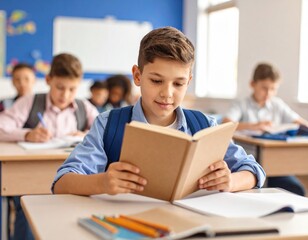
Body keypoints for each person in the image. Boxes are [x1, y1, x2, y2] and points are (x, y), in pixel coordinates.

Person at [52, 27, 265, 197]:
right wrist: (102, 182)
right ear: (137, 76)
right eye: (156, 81)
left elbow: (254, 170)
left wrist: (231, 181)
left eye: (179, 83)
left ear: (188, 81)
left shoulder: (205, 126)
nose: (167, 93)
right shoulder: (109, 123)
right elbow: (61, 182)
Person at [0, 53, 99, 240]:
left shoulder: (84, 107)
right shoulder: (30, 102)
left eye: (72, 89)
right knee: (28, 212)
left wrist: (85, 134)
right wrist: (27, 134)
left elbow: (104, 132)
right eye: (60, 87)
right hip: (31, 180)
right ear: (48, 80)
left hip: (72, 178)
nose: (66, 95)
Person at [222, 62, 307, 196]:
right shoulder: (242, 104)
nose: (268, 93)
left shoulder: (277, 104)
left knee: (297, 189)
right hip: (249, 163)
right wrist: (254, 126)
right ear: (253, 84)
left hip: (275, 164)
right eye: (264, 88)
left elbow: (299, 121)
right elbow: (226, 123)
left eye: (273, 89)